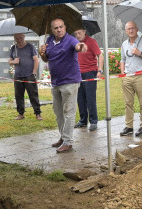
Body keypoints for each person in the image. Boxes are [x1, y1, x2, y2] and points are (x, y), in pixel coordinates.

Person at [38, 18, 87, 153]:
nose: (59, 30)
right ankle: (62, 137)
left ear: (65, 27)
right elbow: (46, 58)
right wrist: (42, 52)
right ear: (52, 30)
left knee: (69, 111)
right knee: (58, 111)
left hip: (70, 81)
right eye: (56, 28)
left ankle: (68, 142)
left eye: (61, 27)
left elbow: (78, 46)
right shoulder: (49, 41)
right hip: (56, 82)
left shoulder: (70, 40)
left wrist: (81, 46)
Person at [119, 21, 142, 137]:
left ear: (137, 29)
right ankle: (129, 126)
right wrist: (122, 72)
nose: (131, 30)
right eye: (128, 29)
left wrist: (140, 54)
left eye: (133, 28)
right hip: (127, 77)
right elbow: (122, 59)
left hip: (140, 76)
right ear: (126, 31)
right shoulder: (124, 44)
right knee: (128, 103)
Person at [72, 28, 104, 132]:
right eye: (76, 33)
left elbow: (100, 55)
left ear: (85, 31)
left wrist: (100, 70)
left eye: (79, 33)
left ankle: (93, 121)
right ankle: (83, 120)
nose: (77, 35)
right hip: (78, 74)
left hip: (90, 73)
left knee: (90, 98)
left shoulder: (91, 41)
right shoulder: (75, 43)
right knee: (80, 98)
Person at [9, 33, 42, 121]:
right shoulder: (14, 48)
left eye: (20, 38)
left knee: (33, 94)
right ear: (14, 39)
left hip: (29, 75)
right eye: (16, 38)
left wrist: (34, 73)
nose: (19, 40)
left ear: (24, 37)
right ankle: (21, 113)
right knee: (18, 95)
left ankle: (38, 113)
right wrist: (13, 62)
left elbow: (36, 60)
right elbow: (9, 61)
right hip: (18, 76)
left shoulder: (30, 46)